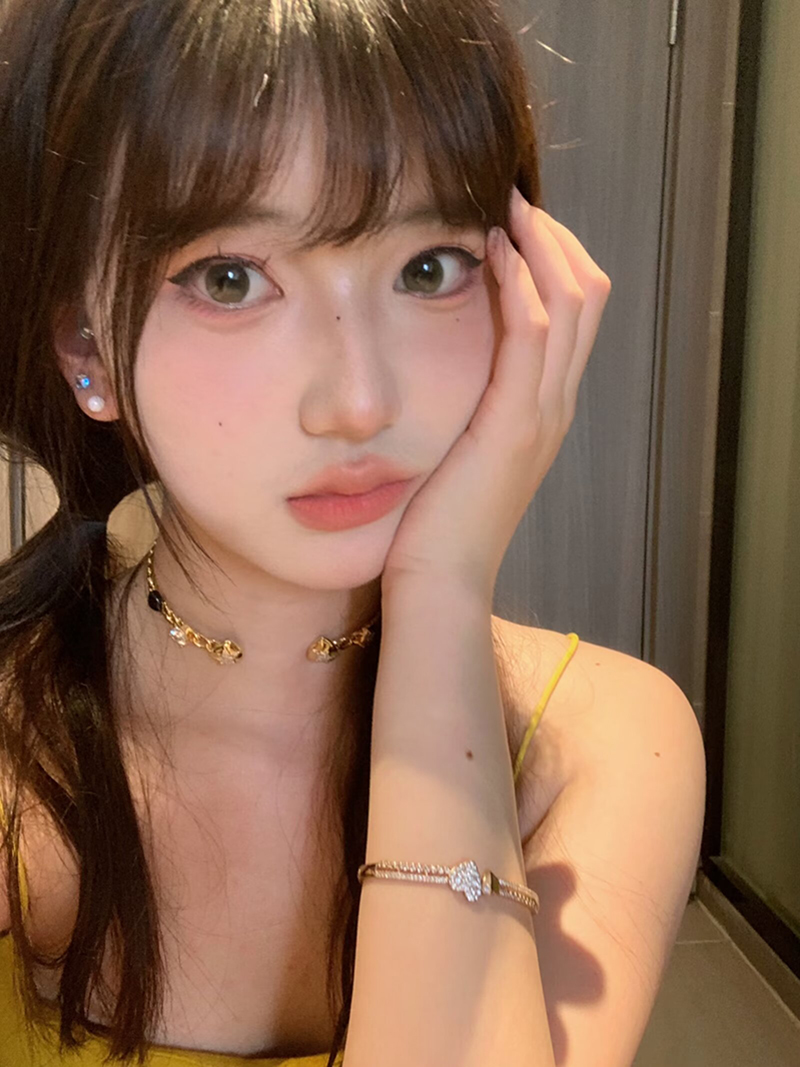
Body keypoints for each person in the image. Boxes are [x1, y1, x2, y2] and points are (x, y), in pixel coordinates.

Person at [0, 2, 707, 1066]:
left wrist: (442, 587)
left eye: (429, 268)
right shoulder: (21, 736)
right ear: (83, 345)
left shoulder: (607, 742)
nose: (359, 401)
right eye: (230, 278)